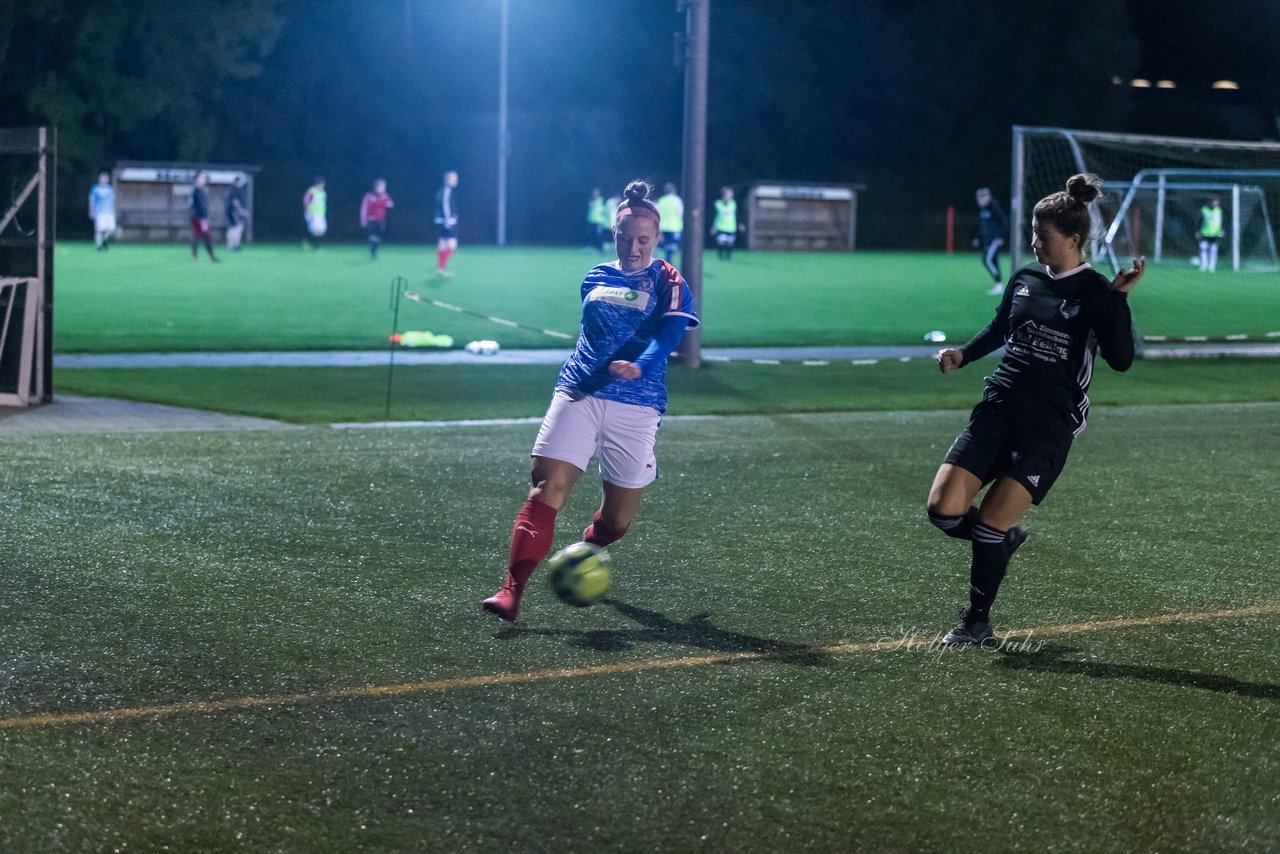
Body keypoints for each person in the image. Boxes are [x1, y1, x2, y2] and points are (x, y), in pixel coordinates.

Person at [926, 173, 1145, 645]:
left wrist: (1117, 301)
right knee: (943, 511)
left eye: (1043, 236)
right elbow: (1001, 327)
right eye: (1032, 233)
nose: (1034, 243)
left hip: (1049, 421)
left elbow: (1122, 360)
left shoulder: (1096, 292)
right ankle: (1001, 541)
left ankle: (976, 623)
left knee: (988, 522)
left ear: (1073, 239)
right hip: (999, 405)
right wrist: (963, 354)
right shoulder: (1026, 277)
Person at [481, 179, 700, 622]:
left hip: (637, 407)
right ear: (614, 235)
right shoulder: (595, 277)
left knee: (617, 522)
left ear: (656, 238)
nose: (634, 248)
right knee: (547, 486)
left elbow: (669, 335)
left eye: (643, 240)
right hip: (579, 390)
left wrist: (642, 362)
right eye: (626, 238)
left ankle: (591, 546)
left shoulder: (667, 279)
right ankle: (511, 591)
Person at [974, 187, 1008, 294]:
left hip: (994, 240)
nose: (981, 199)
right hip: (988, 240)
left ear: (988, 197)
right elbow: (983, 226)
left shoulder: (994, 208)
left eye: (983, 197)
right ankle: (999, 285)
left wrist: (1000, 236)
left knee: (987, 260)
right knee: (992, 260)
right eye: (979, 197)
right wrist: (978, 238)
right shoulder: (983, 210)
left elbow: (1004, 222)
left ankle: (999, 283)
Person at [360, 178, 395, 259]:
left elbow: (391, 204)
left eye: (384, 186)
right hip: (371, 219)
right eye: (382, 186)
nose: (383, 188)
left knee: (378, 237)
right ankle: (373, 251)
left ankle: (374, 250)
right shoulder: (369, 196)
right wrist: (363, 220)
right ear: (376, 186)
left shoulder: (385, 196)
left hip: (381, 220)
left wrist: (388, 204)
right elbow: (364, 208)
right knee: (372, 236)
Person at [433, 170, 459, 276]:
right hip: (446, 221)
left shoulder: (442, 191)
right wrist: (448, 220)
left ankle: (441, 267)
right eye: (453, 178)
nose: (455, 181)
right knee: (452, 245)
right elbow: (445, 206)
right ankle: (441, 266)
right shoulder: (447, 191)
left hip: (441, 220)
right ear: (447, 180)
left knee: (443, 244)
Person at [188, 172, 218, 262]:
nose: (203, 180)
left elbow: (203, 205)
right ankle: (210, 255)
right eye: (201, 178)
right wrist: (199, 216)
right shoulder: (194, 191)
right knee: (205, 235)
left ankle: (196, 255)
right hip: (198, 218)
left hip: (202, 218)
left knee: (199, 236)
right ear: (196, 180)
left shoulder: (201, 191)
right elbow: (191, 205)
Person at [655, 182, 684, 264]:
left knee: (665, 246)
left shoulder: (661, 200)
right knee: (673, 246)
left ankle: (666, 260)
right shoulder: (677, 200)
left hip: (663, 227)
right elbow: (681, 213)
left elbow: (657, 213)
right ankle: (668, 260)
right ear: (674, 191)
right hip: (675, 227)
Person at [88, 172, 116, 252]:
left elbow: (113, 201)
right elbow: (91, 201)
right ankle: (99, 246)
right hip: (100, 212)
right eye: (103, 178)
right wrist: (91, 211)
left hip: (109, 212)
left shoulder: (110, 189)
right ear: (99, 179)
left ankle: (104, 242)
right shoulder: (95, 189)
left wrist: (114, 211)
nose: (104, 180)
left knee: (110, 229)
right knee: (99, 230)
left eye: (106, 178)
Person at [712, 185, 740, 260]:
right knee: (721, 242)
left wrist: (740, 224)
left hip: (731, 227)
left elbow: (737, 214)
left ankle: (728, 257)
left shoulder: (733, 203)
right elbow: (714, 215)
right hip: (721, 226)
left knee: (730, 243)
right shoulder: (718, 203)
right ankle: (720, 256)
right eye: (729, 193)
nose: (731, 195)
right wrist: (713, 227)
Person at [1197, 196, 1223, 272]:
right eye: (1214, 201)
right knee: (1203, 248)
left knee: (1213, 250)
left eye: (1217, 202)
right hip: (1205, 232)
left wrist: (1222, 230)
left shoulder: (1219, 210)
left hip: (1215, 233)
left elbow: (1221, 221)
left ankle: (1212, 267)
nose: (1216, 203)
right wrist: (1198, 231)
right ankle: (1204, 265)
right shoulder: (1204, 210)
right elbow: (1199, 220)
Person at [225, 175, 248, 252]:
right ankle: (233, 246)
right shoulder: (234, 189)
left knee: (235, 228)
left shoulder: (237, 189)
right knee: (236, 227)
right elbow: (235, 202)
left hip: (234, 211)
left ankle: (234, 245)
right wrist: (241, 211)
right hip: (233, 211)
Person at [303, 177, 327, 249]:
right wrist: (308, 211)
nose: (323, 185)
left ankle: (309, 242)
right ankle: (315, 245)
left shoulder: (322, 191)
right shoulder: (312, 191)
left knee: (322, 230)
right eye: (322, 183)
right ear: (318, 184)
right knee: (315, 229)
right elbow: (306, 200)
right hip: (313, 213)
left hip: (320, 213)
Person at [586, 187, 609, 252]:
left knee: (599, 235)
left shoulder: (602, 200)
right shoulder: (591, 200)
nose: (594, 194)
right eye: (593, 192)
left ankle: (600, 248)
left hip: (599, 221)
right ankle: (591, 247)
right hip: (591, 220)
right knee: (590, 234)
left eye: (596, 192)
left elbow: (605, 211)